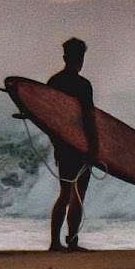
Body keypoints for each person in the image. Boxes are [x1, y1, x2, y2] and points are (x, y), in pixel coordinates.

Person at [46, 37, 98, 251]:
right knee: (78, 194)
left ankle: (54, 242)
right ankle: (72, 242)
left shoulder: (53, 82)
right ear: (81, 59)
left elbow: (48, 118)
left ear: (65, 57)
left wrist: (56, 144)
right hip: (80, 145)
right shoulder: (83, 85)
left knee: (65, 193)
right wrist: (93, 148)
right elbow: (89, 119)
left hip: (63, 144)